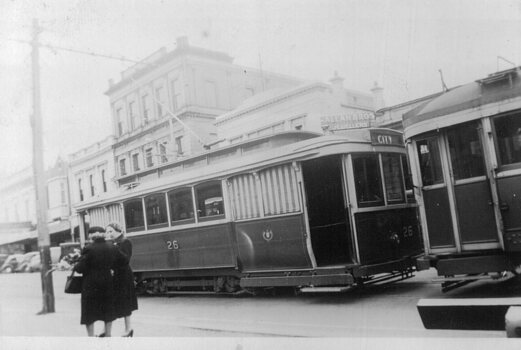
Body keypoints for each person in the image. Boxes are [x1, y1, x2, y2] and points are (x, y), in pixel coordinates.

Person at [73, 226, 126, 337]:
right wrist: (112, 268)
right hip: (107, 283)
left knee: (89, 313)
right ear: (104, 234)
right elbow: (124, 261)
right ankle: (108, 335)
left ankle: (91, 337)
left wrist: (76, 263)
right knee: (108, 311)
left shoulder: (88, 248)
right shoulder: (112, 247)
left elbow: (80, 268)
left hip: (90, 285)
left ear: (90, 236)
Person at [106, 222, 138, 337]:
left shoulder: (125, 241)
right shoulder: (113, 243)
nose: (108, 234)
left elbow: (125, 259)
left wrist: (114, 249)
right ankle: (108, 330)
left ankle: (128, 329)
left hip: (123, 276)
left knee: (125, 303)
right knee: (114, 303)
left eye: (111, 231)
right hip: (115, 275)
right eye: (107, 231)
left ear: (118, 230)